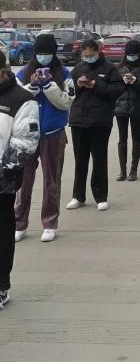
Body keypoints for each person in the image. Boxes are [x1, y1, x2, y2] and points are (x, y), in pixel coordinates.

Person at [14, 34, 75, 243]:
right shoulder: (23, 73)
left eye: (47, 54)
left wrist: (49, 86)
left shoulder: (64, 74)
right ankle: (19, 223)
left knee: (51, 181)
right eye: (40, 53)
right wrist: (32, 87)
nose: (43, 57)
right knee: (22, 182)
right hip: (26, 135)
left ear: (53, 54)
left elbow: (66, 102)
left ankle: (49, 223)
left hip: (53, 133)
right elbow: (16, 99)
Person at [0, 50, 39, 310]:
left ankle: (1, 285)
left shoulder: (22, 100)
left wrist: (4, 168)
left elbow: (26, 141)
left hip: (3, 180)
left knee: (2, 233)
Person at [68, 38, 124, 212]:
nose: (88, 58)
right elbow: (68, 91)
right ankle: (78, 196)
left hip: (100, 121)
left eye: (91, 55)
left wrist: (96, 85)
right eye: (84, 56)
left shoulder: (109, 68)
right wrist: (78, 85)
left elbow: (118, 90)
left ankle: (101, 196)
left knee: (99, 159)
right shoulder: (78, 68)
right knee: (80, 160)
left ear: (98, 52)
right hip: (79, 119)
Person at [114, 40, 140, 182]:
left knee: (136, 139)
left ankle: (133, 170)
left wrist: (135, 81)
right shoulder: (119, 68)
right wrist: (122, 83)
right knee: (122, 139)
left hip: (138, 106)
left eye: (134, 54)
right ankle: (122, 171)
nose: (131, 57)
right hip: (121, 107)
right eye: (129, 54)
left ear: (139, 54)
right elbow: (113, 88)